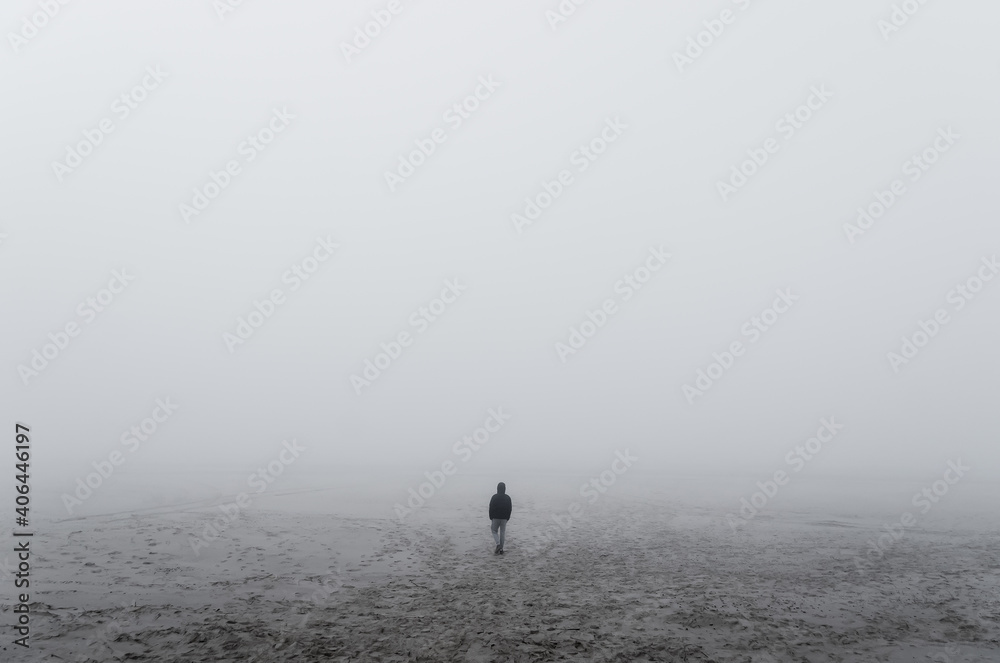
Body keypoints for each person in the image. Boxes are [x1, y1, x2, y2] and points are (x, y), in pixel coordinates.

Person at [488, 482, 512, 555]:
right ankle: (501, 549)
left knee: (494, 530)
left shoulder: (494, 497)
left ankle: (498, 544)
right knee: (502, 532)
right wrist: (508, 517)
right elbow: (510, 508)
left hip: (495, 517)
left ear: (497, 488)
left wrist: (490, 517)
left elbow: (490, 507)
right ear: (505, 489)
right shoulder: (507, 497)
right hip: (504, 517)